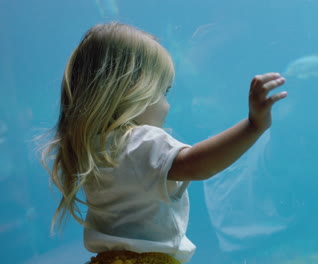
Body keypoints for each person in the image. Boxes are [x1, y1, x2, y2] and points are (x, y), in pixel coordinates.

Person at [41, 22, 287, 264]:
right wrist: (253, 126)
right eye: (163, 92)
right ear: (134, 91)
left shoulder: (91, 146)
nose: (167, 105)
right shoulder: (139, 141)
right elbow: (196, 165)